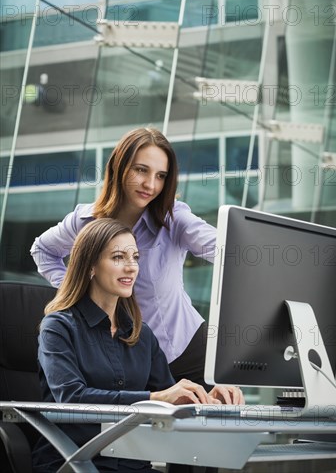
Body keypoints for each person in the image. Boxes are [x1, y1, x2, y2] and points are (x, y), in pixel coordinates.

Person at [32, 218, 243, 472]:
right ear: (90, 266)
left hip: (133, 464)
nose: (132, 267)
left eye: (135, 257)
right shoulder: (58, 327)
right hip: (75, 462)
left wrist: (208, 401)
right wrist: (154, 397)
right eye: (119, 257)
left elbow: (171, 400)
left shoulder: (141, 335)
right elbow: (72, 398)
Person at [31, 127, 217, 387]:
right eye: (141, 170)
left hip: (185, 351)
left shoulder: (174, 219)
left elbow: (222, 248)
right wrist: (79, 292)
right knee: (138, 426)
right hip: (130, 359)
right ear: (119, 167)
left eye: (160, 176)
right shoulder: (84, 221)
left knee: (220, 421)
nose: (150, 185)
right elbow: (42, 250)